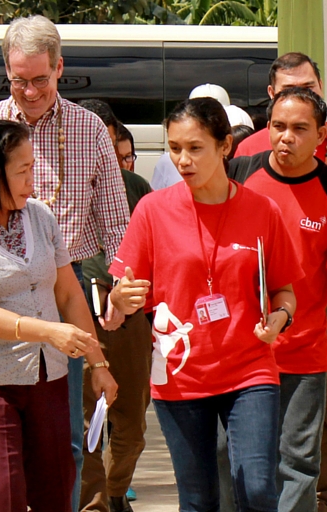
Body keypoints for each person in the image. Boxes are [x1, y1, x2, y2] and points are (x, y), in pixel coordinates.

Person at [0, 16, 132, 509]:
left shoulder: (88, 127)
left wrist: (120, 289)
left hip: (67, 285)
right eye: (18, 80)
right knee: (3, 439)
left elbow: (117, 221)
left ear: (60, 69)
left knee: (64, 439)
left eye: (40, 79)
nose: (29, 91)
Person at [109, 98, 300, 511]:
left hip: (250, 369)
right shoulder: (152, 210)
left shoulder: (261, 210)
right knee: (198, 500)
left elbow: (285, 291)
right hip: (180, 373)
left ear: (225, 146)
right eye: (174, 148)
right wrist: (119, 299)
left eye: (195, 148)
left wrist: (280, 317)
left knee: (256, 488)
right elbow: (120, 295)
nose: (183, 159)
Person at [0, 119, 116, 511]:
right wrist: (46, 331)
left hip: (48, 377)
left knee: (56, 486)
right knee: (1, 495)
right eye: (24, 170)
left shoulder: (40, 218)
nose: (34, 178)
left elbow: (67, 293)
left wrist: (98, 362)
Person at [232, 51, 327, 511]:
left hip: (316, 319)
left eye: (302, 122)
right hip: (243, 339)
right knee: (239, 454)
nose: (288, 136)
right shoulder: (242, 164)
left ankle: (319, 499)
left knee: (312, 437)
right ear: (270, 104)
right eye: (282, 115)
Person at [77, 99, 153, 512]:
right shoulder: (55, 183)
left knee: (132, 422)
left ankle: (114, 490)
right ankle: (94, 504)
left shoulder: (135, 187)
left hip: (129, 319)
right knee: (88, 420)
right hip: (77, 315)